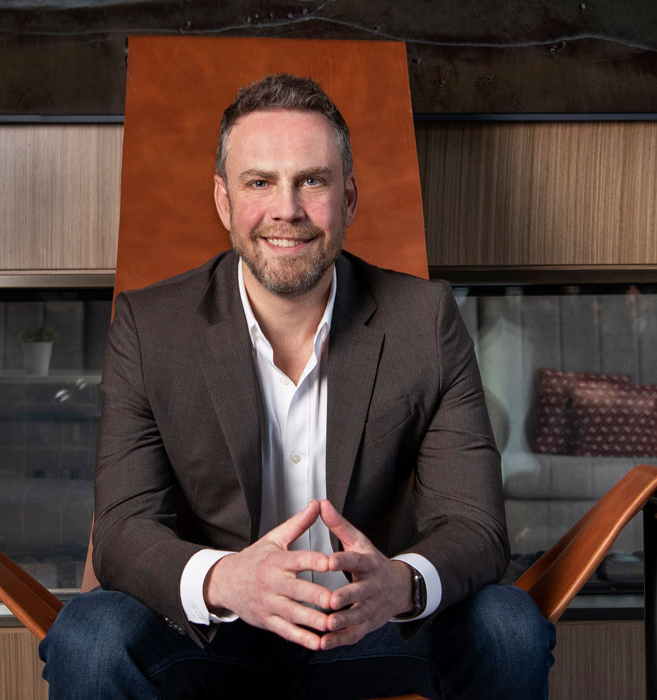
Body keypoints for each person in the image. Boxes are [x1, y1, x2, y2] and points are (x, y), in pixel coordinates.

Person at [40, 73, 554, 700]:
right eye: (260, 182)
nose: (287, 209)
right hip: (215, 631)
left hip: (369, 625)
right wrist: (225, 581)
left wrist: (401, 583)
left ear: (349, 197)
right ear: (224, 200)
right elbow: (123, 529)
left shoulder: (425, 319)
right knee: (89, 634)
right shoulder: (149, 328)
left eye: (312, 181)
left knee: (508, 625)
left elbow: (476, 526)